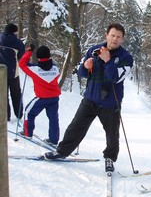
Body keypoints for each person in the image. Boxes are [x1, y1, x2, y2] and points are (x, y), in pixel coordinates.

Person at [44, 23, 133, 173]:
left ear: (122, 40)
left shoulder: (126, 58)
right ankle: (62, 151)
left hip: (111, 103)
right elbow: (82, 73)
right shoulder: (94, 50)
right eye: (112, 35)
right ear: (106, 35)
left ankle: (110, 159)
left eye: (118, 37)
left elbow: (115, 78)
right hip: (90, 99)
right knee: (75, 127)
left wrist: (108, 60)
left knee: (112, 134)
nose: (115, 39)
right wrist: (85, 66)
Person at [19, 45, 61, 145]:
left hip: (41, 98)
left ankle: (27, 133)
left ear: (38, 57)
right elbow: (57, 73)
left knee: (29, 112)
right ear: (49, 55)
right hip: (54, 98)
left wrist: (29, 51)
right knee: (53, 118)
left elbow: (22, 64)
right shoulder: (55, 68)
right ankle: (53, 140)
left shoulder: (35, 69)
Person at [0, 23, 25, 121]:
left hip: (1, 71)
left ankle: (6, 116)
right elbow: (21, 57)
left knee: (3, 94)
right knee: (16, 93)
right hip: (13, 72)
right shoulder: (18, 43)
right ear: (14, 32)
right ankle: (19, 114)